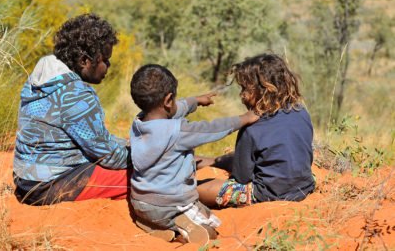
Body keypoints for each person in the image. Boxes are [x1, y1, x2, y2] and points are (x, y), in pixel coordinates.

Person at [128, 64, 259, 245]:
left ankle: (155, 227)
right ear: (168, 100)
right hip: (170, 205)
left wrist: (194, 101)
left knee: (177, 215)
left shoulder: (139, 123)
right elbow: (212, 129)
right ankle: (181, 230)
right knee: (212, 232)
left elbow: (173, 109)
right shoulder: (177, 131)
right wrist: (244, 119)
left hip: (141, 204)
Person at [13, 14, 131, 205]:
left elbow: (95, 141)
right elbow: (109, 157)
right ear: (85, 61)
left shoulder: (40, 79)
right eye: (105, 60)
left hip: (25, 182)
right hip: (49, 187)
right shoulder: (76, 95)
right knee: (147, 177)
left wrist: (127, 145)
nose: (108, 66)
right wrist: (144, 155)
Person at [197, 53, 315, 208]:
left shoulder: (251, 128)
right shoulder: (301, 112)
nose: (242, 95)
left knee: (198, 189)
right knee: (243, 158)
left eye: (245, 89)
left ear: (264, 90)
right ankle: (211, 161)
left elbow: (242, 177)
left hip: (268, 195)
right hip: (304, 189)